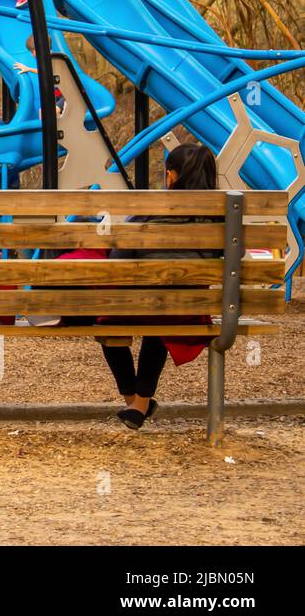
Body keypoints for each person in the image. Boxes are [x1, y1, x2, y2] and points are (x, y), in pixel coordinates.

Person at [99, 143, 221, 429]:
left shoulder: (149, 210)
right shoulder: (222, 216)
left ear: (171, 176)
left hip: (145, 307)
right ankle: (139, 404)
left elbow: (118, 259)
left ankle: (136, 401)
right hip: (190, 309)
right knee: (163, 319)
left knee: (107, 322)